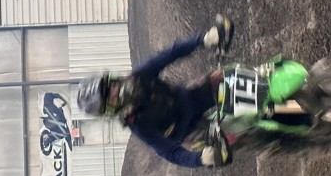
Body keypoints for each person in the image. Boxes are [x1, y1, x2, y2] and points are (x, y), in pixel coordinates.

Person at [76, 17, 234, 168]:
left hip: (190, 99)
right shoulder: (138, 124)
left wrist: (204, 39)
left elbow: (170, 53)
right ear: (110, 110)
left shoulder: (139, 76)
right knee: (224, 144)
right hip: (190, 131)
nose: (115, 90)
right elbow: (170, 152)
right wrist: (200, 159)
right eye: (111, 97)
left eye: (111, 85)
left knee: (230, 81)